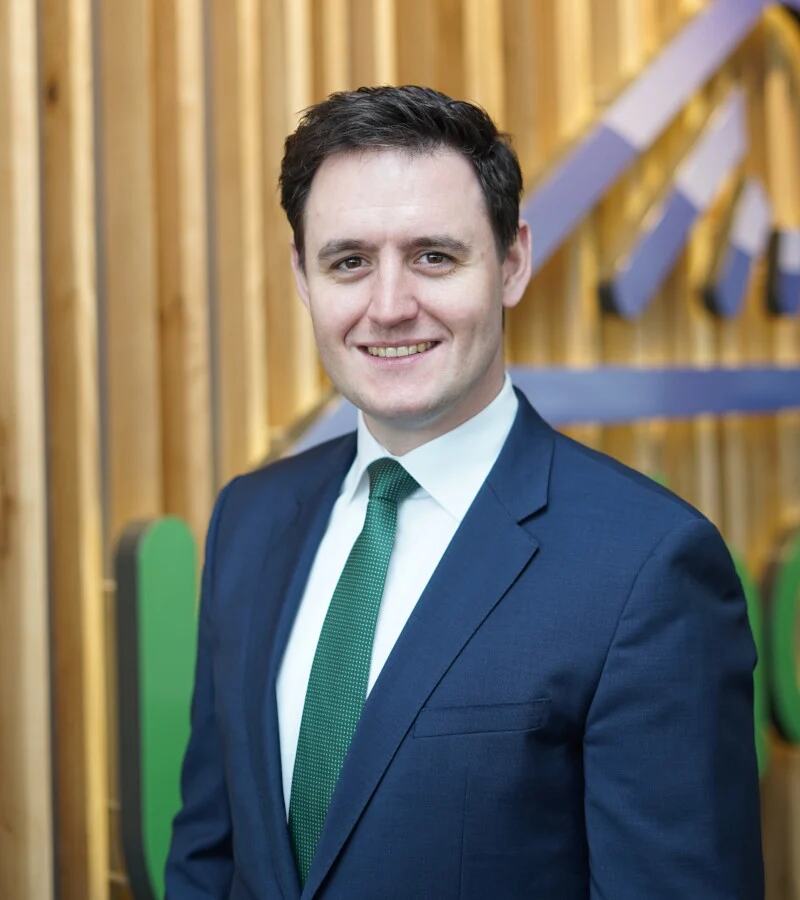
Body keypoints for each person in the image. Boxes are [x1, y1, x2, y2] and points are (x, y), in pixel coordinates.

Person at [166, 85, 763, 899]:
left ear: (513, 262)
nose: (388, 307)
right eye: (349, 262)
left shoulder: (647, 568)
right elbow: (209, 856)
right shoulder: (251, 518)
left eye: (433, 257)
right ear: (303, 277)